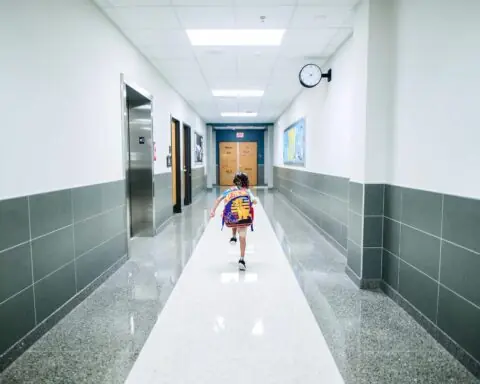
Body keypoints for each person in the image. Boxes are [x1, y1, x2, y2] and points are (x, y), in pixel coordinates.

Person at [210, 172, 257, 270]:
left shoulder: (230, 190)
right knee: (243, 238)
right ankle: (242, 259)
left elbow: (218, 200)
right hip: (244, 218)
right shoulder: (247, 191)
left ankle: (233, 236)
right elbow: (254, 201)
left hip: (232, 218)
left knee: (233, 217)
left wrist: (213, 211)